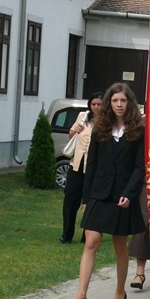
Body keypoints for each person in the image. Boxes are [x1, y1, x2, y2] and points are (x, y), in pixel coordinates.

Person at [64, 83, 145, 299]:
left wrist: (130, 194)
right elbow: (91, 164)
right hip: (99, 193)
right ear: (109, 103)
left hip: (123, 195)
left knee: (120, 246)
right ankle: (81, 296)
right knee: (91, 241)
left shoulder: (138, 131)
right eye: (115, 100)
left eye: (123, 100)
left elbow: (139, 167)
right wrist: (86, 197)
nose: (119, 104)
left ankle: (120, 291)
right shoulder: (100, 128)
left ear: (129, 103)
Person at [60, 92, 102, 244]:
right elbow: (71, 135)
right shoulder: (83, 116)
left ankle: (87, 235)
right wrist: (75, 131)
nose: (96, 107)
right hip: (76, 165)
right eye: (93, 104)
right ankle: (67, 234)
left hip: (94, 170)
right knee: (70, 200)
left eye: (99, 104)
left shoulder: (107, 121)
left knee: (91, 203)